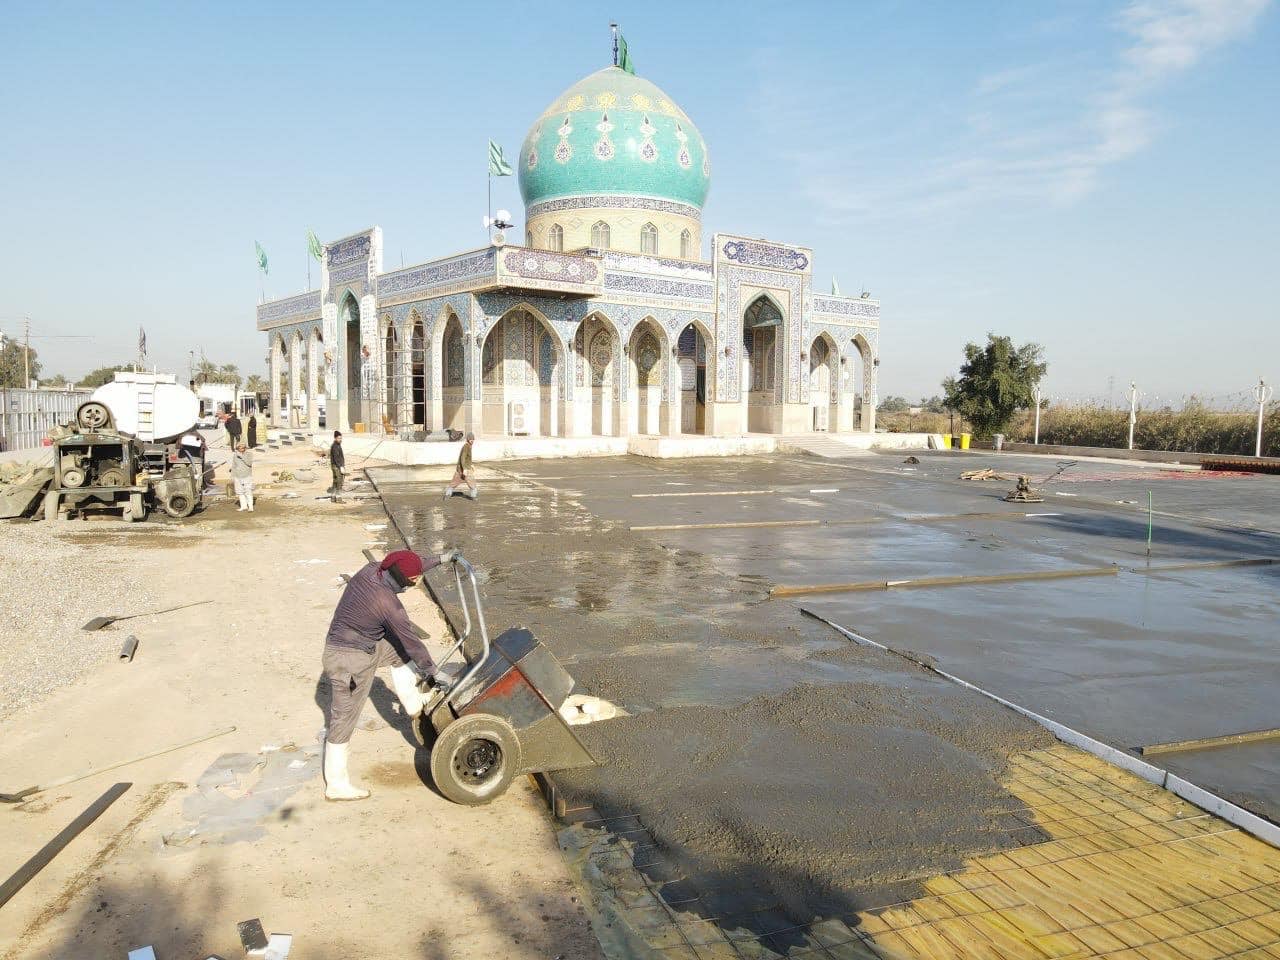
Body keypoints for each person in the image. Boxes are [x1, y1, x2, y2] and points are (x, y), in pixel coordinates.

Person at [321, 548, 457, 800]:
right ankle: (336, 785)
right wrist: (434, 672)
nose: (415, 583)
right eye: (413, 581)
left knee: (397, 653)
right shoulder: (388, 604)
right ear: (403, 580)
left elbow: (410, 563)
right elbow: (412, 643)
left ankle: (414, 706)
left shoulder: (372, 570)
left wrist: (441, 559)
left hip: (362, 644)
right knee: (344, 719)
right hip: (348, 661)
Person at [443, 432, 478, 500]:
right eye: (470, 439)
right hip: (464, 469)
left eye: (473, 439)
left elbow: (467, 458)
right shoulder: (466, 446)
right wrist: (464, 469)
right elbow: (463, 458)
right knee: (471, 483)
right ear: (468, 439)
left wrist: (471, 464)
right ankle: (473, 496)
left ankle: (447, 495)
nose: (472, 440)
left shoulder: (468, 446)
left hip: (462, 468)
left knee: (454, 483)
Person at [231, 442, 254, 512]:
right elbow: (234, 466)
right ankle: (243, 506)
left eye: (242, 448)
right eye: (239, 448)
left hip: (247, 475)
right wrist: (233, 475)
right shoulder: (235, 455)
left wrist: (242, 457)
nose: (241, 449)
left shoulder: (249, 454)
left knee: (248, 491)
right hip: (237, 476)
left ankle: (250, 507)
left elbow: (249, 463)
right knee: (240, 492)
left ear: (245, 448)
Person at [329, 430, 345, 501]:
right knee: (339, 481)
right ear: (335, 438)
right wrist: (340, 466)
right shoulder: (335, 446)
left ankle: (333, 497)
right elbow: (336, 458)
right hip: (336, 466)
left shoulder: (338, 445)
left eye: (341, 438)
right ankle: (338, 498)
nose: (340, 439)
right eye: (339, 438)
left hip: (336, 465)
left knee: (335, 481)